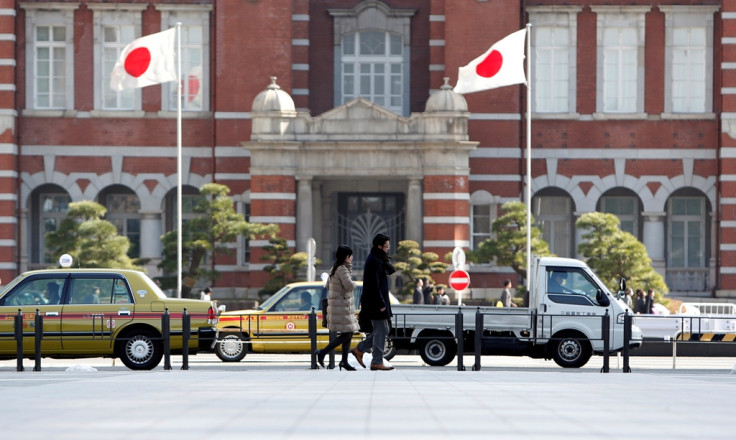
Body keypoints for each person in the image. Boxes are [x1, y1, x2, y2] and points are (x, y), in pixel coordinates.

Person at [352, 233, 395, 371]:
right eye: (386, 246)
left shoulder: (378, 259)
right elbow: (373, 285)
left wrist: (385, 259)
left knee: (384, 329)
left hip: (377, 302)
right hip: (375, 304)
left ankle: (360, 349)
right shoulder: (373, 261)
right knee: (381, 330)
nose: (388, 248)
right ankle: (376, 361)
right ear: (379, 246)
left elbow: (389, 271)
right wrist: (381, 304)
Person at [316, 245, 360, 371]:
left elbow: (329, 285)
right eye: (350, 255)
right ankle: (323, 352)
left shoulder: (335, 268)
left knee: (348, 333)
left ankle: (344, 361)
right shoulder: (343, 270)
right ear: (346, 257)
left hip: (338, 306)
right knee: (347, 334)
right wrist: (355, 284)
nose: (352, 258)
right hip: (342, 307)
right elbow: (349, 285)